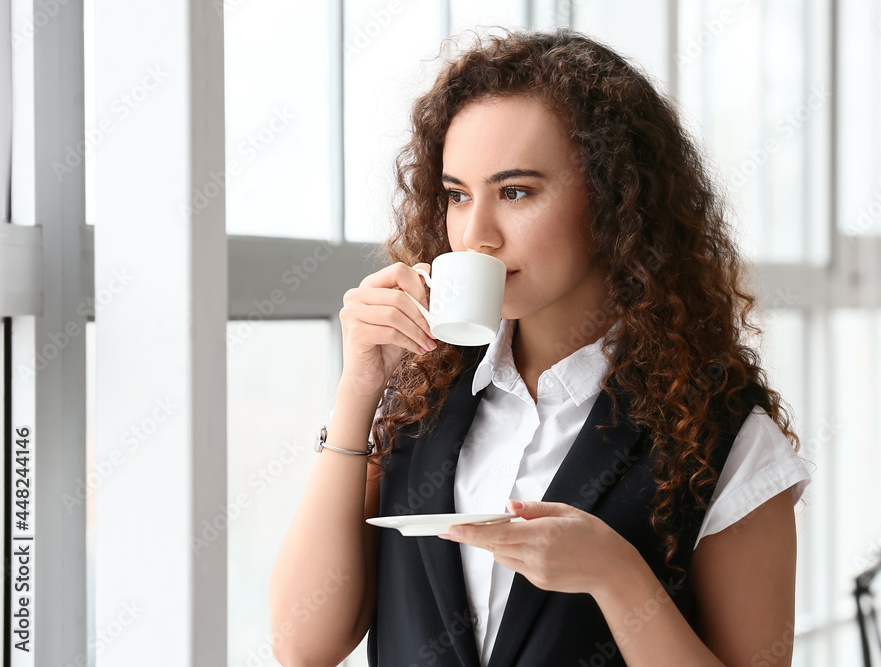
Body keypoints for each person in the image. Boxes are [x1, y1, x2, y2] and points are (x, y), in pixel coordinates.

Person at [269, 27, 812, 667]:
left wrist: (618, 577)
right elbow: (303, 645)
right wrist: (357, 389)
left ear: (615, 200)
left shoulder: (724, 437)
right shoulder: (415, 395)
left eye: (517, 192)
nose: (476, 236)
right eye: (457, 195)